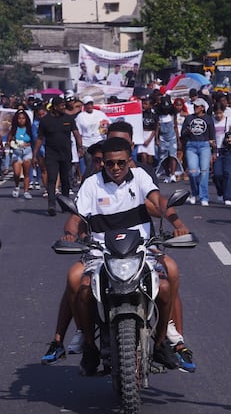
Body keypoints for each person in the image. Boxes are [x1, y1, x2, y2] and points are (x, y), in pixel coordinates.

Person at [61, 137, 173, 375]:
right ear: (103, 163)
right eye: (110, 164)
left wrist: (176, 221)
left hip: (141, 250)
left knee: (164, 286)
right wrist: (70, 234)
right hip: (101, 253)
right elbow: (76, 217)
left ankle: (162, 342)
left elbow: (157, 201)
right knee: (81, 286)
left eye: (121, 163)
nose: (116, 169)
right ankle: (90, 346)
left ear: (129, 160)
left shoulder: (141, 177)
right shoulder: (91, 184)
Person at [33, 97, 83, 216]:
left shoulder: (68, 118)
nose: (63, 107)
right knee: (52, 179)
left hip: (66, 154)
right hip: (51, 154)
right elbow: (40, 138)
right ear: (54, 107)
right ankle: (51, 205)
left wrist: (80, 147)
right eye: (61, 105)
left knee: (65, 179)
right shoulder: (45, 121)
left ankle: (65, 204)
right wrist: (35, 155)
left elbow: (76, 134)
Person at [181, 98, 215, 206]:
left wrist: (214, 151)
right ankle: (194, 192)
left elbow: (212, 136)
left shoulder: (208, 119)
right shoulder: (189, 118)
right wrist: (188, 131)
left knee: (204, 172)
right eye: (194, 106)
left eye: (197, 106)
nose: (195, 108)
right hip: (191, 146)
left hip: (204, 146)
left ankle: (204, 196)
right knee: (193, 172)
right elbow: (182, 133)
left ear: (202, 108)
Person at [211, 102, 231, 205]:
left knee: (227, 173)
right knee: (217, 174)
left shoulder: (228, 120)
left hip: (227, 150)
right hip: (216, 150)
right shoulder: (212, 121)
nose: (218, 115)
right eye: (216, 113)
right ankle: (220, 191)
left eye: (220, 113)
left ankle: (228, 197)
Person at [75, 95, 107, 177]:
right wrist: (80, 147)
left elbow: (107, 124)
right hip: (87, 144)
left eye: (90, 104)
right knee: (90, 164)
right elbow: (79, 133)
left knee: (101, 163)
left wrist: (105, 128)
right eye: (87, 104)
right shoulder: (80, 117)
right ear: (84, 106)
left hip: (99, 141)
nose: (89, 106)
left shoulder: (100, 114)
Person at [8, 109, 34, 199]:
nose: (21, 120)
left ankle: (26, 191)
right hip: (17, 152)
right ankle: (16, 186)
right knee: (17, 173)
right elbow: (9, 140)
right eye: (19, 118)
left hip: (27, 152)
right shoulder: (14, 129)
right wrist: (12, 144)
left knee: (27, 173)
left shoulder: (30, 129)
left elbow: (33, 140)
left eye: (23, 118)